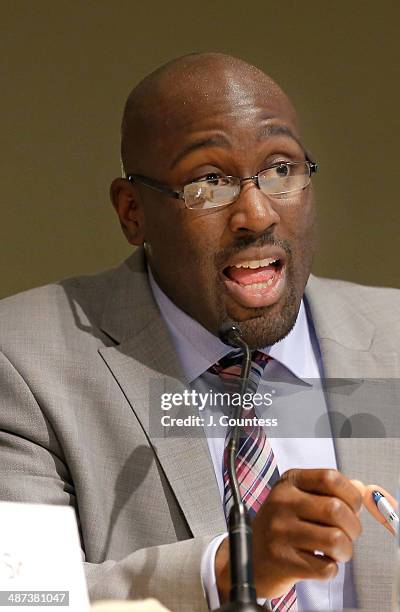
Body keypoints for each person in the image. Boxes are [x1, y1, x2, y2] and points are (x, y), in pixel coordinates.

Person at [0, 52, 399, 612]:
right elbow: (25, 595)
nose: (256, 214)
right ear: (133, 211)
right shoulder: (23, 361)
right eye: (208, 182)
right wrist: (232, 570)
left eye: (282, 169)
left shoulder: (394, 338)